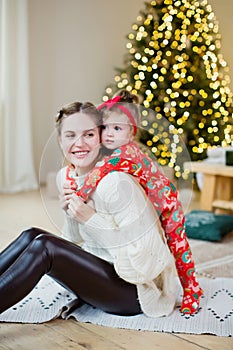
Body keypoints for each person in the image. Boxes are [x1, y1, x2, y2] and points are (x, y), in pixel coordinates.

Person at [0, 100, 177, 318]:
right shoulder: (66, 176)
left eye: (89, 135)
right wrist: (71, 214)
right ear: (60, 140)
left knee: (44, 247)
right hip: (100, 274)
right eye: (70, 135)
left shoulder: (116, 183)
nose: (79, 143)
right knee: (31, 236)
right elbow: (77, 241)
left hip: (135, 292)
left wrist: (91, 219)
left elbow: (148, 264)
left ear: (101, 138)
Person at [66, 91, 203, 314]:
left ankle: (191, 290)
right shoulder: (112, 151)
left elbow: (96, 175)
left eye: (117, 129)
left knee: (179, 248)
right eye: (105, 128)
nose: (109, 134)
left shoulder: (121, 154)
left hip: (167, 203)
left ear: (131, 134)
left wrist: (78, 194)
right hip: (152, 203)